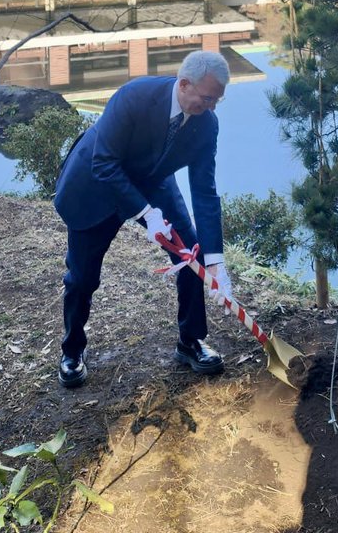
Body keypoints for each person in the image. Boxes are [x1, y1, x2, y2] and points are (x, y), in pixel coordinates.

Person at [53, 49, 233, 387]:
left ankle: (191, 341)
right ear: (184, 84)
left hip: (152, 180)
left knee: (190, 253)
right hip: (97, 182)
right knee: (82, 277)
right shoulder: (134, 96)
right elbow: (104, 163)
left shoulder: (207, 124)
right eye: (207, 98)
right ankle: (72, 350)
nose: (211, 107)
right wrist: (147, 214)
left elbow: (204, 192)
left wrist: (215, 261)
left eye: (217, 100)